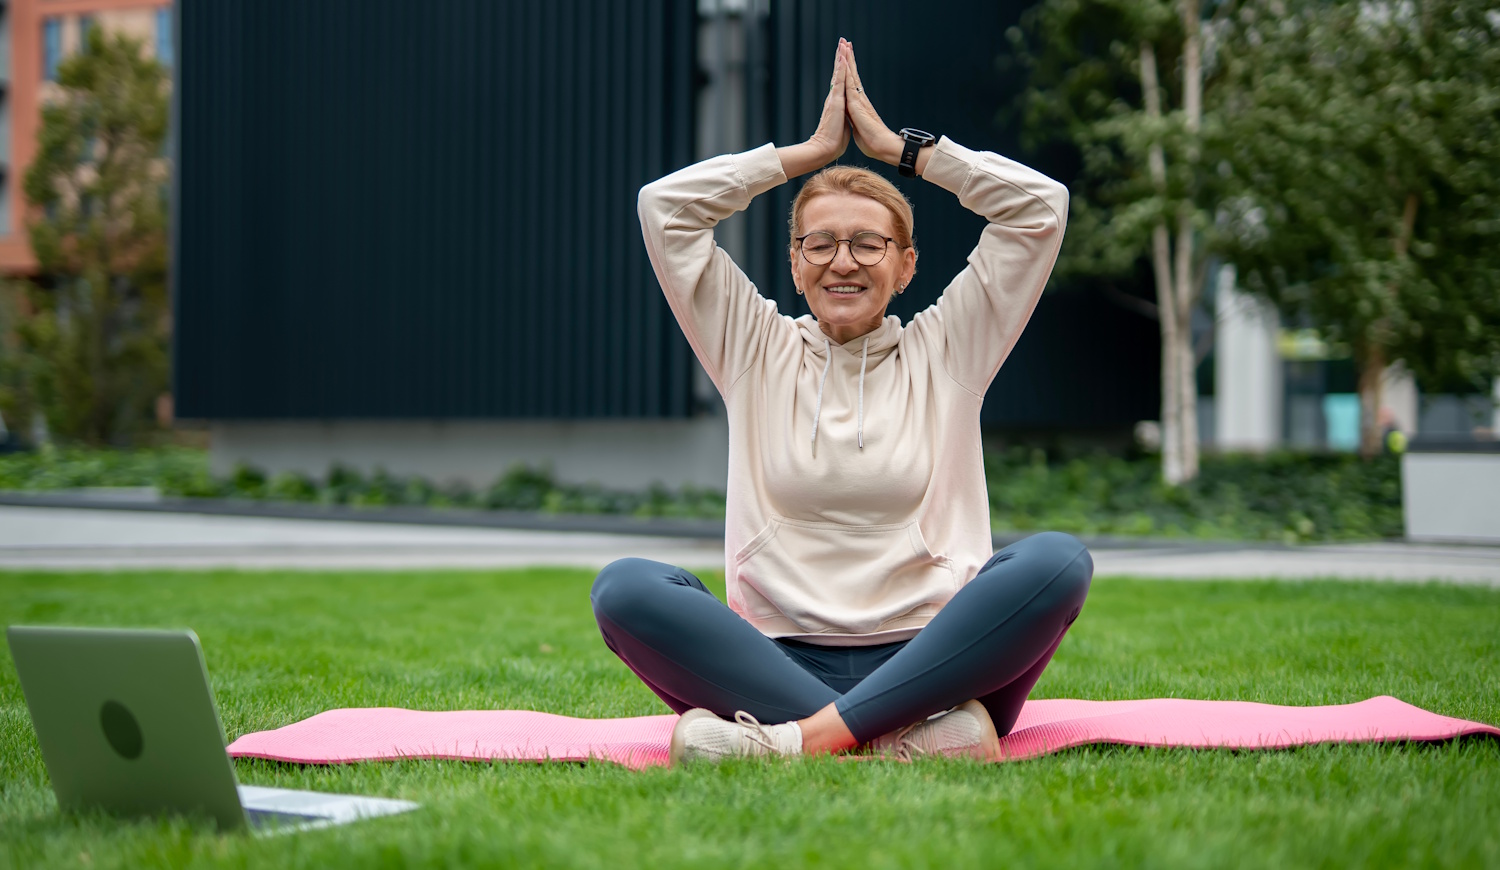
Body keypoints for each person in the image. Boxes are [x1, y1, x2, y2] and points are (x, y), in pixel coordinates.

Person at [591, 39, 1093, 763]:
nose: (843, 262)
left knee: (1056, 561)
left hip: (938, 657)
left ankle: (796, 743)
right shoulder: (752, 347)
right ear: (795, 264)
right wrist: (805, 155)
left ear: (906, 264)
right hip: (776, 661)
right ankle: (904, 739)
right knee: (627, 588)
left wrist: (904, 151)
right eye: (820, 244)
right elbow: (664, 209)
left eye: (867, 243)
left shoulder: (950, 348)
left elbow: (1039, 210)